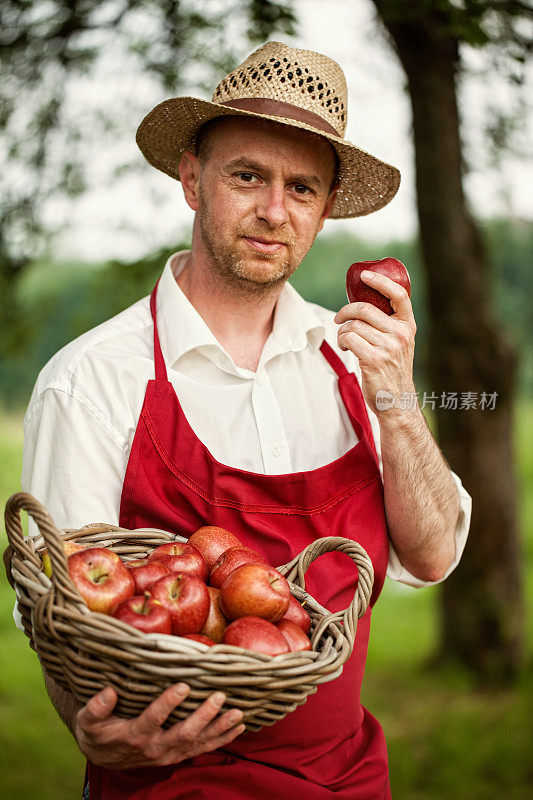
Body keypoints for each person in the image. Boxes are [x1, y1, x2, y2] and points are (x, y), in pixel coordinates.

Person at [19, 41, 471, 799]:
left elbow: (430, 558)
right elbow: (61, 616)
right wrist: (89, 726)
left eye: (302, 188)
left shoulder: (355, 363)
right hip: (168, 785)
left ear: (324, 211)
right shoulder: (93, 379)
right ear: (191, 180)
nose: (273, 210)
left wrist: (395, 396)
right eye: (247, 175)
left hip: (350, 781)